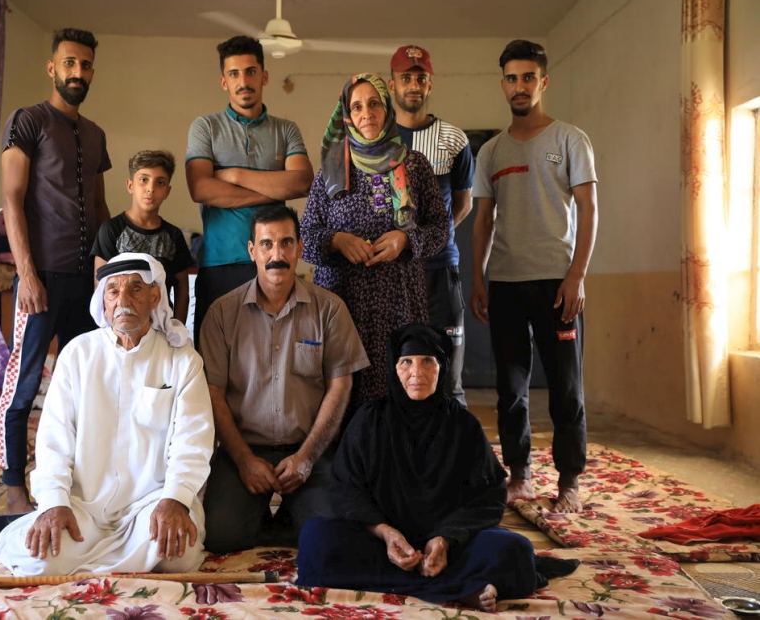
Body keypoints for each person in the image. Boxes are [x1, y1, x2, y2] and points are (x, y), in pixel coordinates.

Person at [0, 253, 214, 576]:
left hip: (152, 505)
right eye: (113, 291)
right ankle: (26, 531)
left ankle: (93, 559)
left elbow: (193, 442)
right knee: (40, 557)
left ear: (155, 296)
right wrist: (54, 503)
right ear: (103, 301)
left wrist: (176, 500)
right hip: (84, 509)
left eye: (136, 289)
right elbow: (53, 441)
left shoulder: (182, 361)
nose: (123, 299)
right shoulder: (77, 355)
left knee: (179, 555)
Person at [295, 323, 537, 611]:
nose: (416, 373)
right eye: (406, 361)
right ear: (393, 367)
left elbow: (489, 494)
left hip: (449, 546)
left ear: (443, 367)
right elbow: (345, 487)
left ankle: (437, 582)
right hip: (383, 545)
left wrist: (446, 538)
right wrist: (384, 532)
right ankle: (460, 588)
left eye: (428, 362)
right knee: (315, 539)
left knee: (518, 550)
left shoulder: (463, 425)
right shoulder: (370, 420)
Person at [470, 40, 598, 514]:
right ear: (503, 83)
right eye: (511, 78)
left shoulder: (569, 140)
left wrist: (577, 276)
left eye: (528, 77)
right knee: (510, 388)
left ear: (543, 82)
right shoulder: (492, 151)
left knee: (566, 388)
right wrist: (479, 279)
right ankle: (519, 477)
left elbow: (588, 209)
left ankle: (568, 481)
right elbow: (482, 220)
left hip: (556, 284)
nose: (519, 86)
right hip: (504, 284)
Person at [199, 205, 369, 554]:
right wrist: (245, 460)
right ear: (252, 251)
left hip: (309, 449)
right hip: (243, 450)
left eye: (286, 243)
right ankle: (268, 516)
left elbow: (341, 386)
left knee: (332, 537)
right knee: (219, 535)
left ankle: (293, 515)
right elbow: (213, 393)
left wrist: (307, 457)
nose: (277, 255)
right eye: (266, 244)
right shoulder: (222, 313)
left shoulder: (330, 309)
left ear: (300, 248)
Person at [0, 28, 113, 514]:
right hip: (41, 277)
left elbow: (103, 208)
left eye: (85, 65)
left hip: (86, 283)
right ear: (52, 68)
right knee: (24, 384)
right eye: (70, 63)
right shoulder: (28, 120)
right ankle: (13, 484)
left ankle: (71, 478)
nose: (78, 73)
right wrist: (27, 273)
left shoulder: (96, 134)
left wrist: (107, 276)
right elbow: (12, 199)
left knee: (83, 384)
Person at [300, 72, 449, 407]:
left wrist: (406, 240)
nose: (366, 112)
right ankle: (344, 458)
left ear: (386, 109)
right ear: (347, 116)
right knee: (342, 391)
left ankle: (395, 459)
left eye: (374, 103)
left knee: (397, 387)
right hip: (342, 303)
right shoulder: (330, 170)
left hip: (399, 301)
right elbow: (305, 236)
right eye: (356, 106)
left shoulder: (415, 165)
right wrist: (337, 240)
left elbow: (441, 229)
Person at [185, 35, 314, 345]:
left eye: (251, 71)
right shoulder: (206, 127)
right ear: (223, 82)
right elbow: (201, 188)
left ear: (264, 76)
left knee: (270, 361)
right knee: (214, 366)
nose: (243, 81)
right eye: (234, 74)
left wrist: (234, 174)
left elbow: (301, 182)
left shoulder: (286, 129)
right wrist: (273, 189)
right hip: (220, 264)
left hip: (273, 263)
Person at [389, 45, 474, 409]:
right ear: (392, 85)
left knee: (447, 377)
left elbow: (463, 203)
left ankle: (456, 463)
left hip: (440, 270)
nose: (413, 85)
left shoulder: (454, 140)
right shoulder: (377, 140)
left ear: (430, 84)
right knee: (395, 373)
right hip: (391, 274)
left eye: (420, 78)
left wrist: (427, 240)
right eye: (405, 78)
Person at [91, 150, 194, 323]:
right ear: (130, 185)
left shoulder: (173, 235)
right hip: (120, 325)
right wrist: (108, 330)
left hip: (160, 329)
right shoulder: (111, 230)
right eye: (143, 180)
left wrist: (177, 327)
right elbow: (100, 285)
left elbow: (182, 290)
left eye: (160, 182)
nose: (150, 189)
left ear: (167, 191)